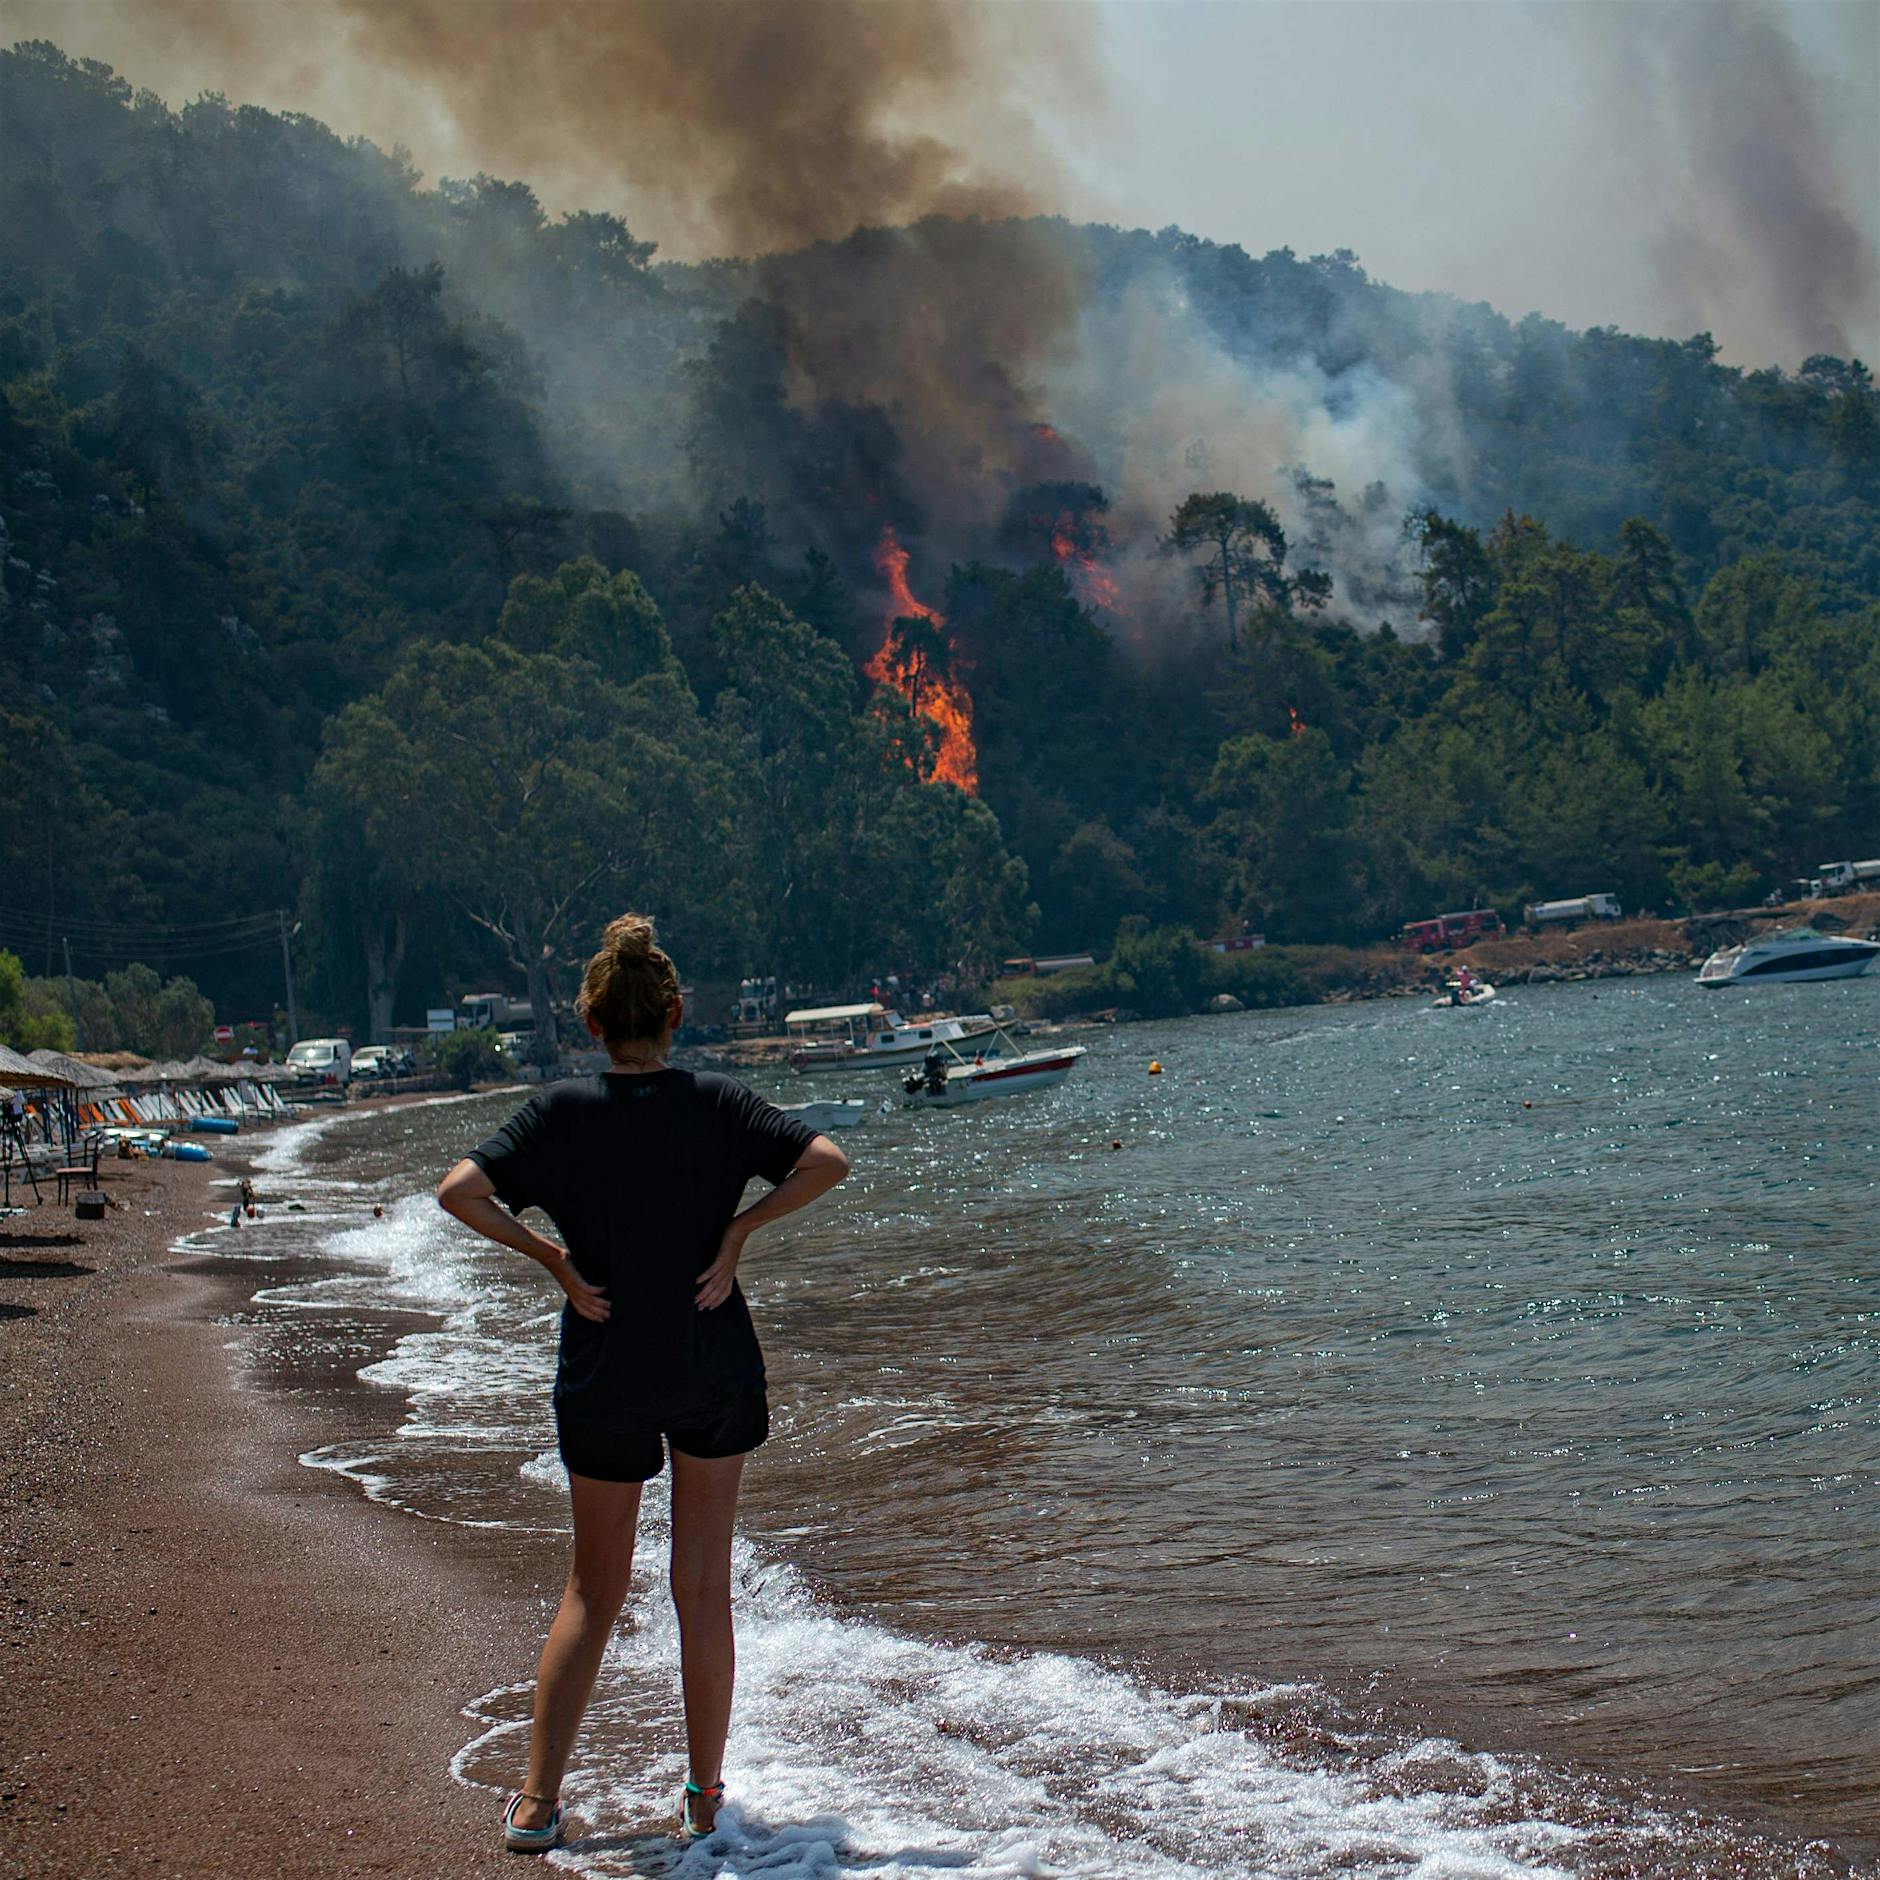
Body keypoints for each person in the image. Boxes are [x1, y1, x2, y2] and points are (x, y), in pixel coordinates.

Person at [437, 914, 847, 1855]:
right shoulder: (718, 1102)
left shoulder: (560, 1113)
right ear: (675, 1015)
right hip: (709, 1357)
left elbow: (459, 1191)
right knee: (701, 1586)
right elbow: (827, 1161)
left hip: (605, 1362)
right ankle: (702, 1800)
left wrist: (552, 1259)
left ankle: (537, 1803)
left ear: (590, 1022)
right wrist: (738, 1232)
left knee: (594, 1587)